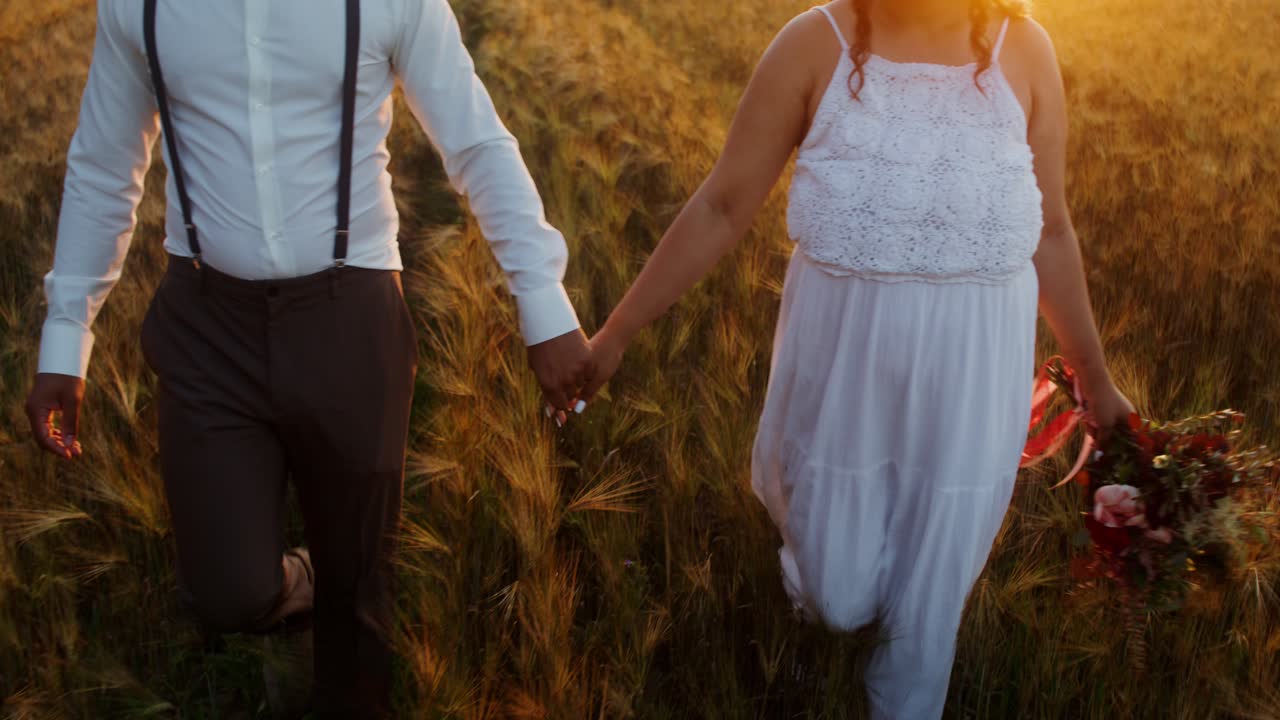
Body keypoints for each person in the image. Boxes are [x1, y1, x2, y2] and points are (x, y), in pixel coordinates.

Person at [23, 0, 591, 716]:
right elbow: (105, 165)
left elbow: (475, 142)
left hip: (349, 315)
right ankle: (304, 580)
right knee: (227, 593)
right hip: (207, 324)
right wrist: (66, 335)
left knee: (359, 621)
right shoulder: (142, 6)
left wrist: (542, 301)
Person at [578, 0, 1134, 716]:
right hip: (844, 373)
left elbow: (1051, 231)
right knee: (835, 597)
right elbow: (722, 205)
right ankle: (818, 644)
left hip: (975, 375)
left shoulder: (1024, 50)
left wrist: (1096, 381)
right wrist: (617, 332)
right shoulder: (816, 44)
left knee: (928, 599)